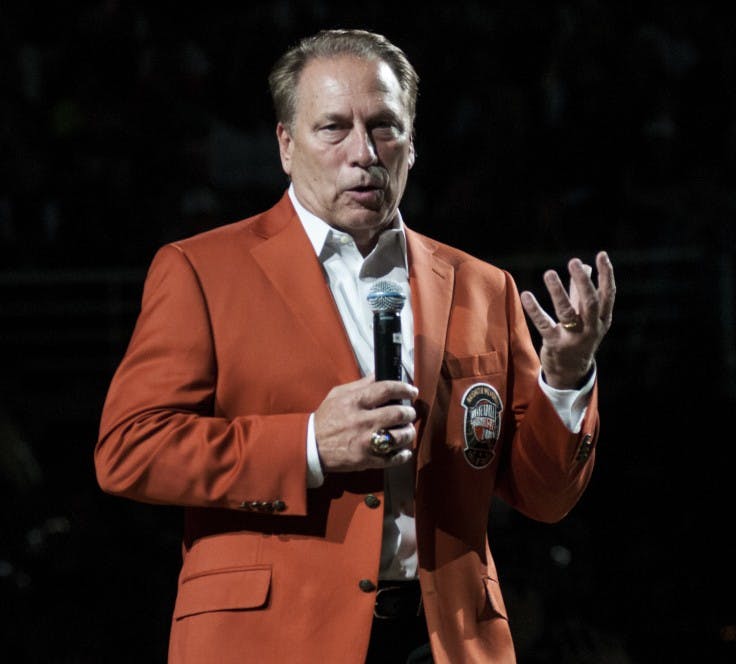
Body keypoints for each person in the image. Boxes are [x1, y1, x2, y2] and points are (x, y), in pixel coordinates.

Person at [95, 28, 615, 664]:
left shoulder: (485, 288)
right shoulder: (201, 271)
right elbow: (129, 450)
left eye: (385, 127)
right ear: (286, 145)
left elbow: (545, 497)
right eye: (333, 128)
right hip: (269, 641)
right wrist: (310, 443)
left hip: (444, 640)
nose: (364, 152)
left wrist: (565, 378)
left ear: (413, 143)